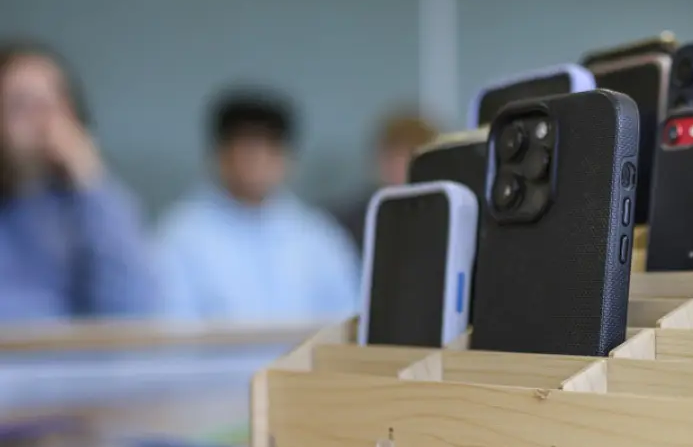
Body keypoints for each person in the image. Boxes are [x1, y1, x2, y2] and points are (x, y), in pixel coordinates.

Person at [158, 90, 359, 321]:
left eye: (268, 146)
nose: (256, 159)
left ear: (289, 158)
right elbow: (170, 330)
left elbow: (347, 322)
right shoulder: (180, 237)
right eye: (244, 146)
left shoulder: (318, 236)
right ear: (218, 155)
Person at [0, 43, 158, 321]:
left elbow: (136, 310)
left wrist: (91, 179)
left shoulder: (91, 202)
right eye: (21, 106)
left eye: (53, 105)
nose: (43, 122)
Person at [335, 111, 438, 250]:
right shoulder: (344, 226)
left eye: (409, 158)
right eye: (393, 159)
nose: (398, 169)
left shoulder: (442, 219)